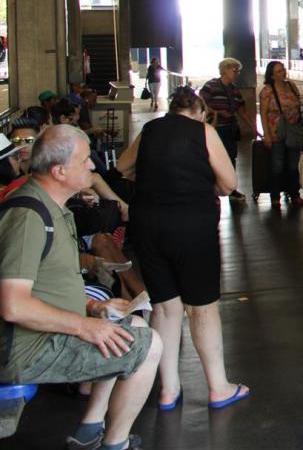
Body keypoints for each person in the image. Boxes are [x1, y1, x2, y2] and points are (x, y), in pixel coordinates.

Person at [0, 125, 164, 450]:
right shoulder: (28, 217)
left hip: (44, 334)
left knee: (131, 326)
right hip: (26, 350)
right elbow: (13, 305)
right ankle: (115, 443)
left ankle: (89, 430)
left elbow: (47, 281)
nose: (92, 165)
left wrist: (94, 307)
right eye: (85, 160)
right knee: (149, 346)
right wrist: (84, 325)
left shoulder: (52, 206)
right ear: (59, 171)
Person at [116, 86, 249, 412]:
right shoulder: (203, 131)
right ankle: (218, 387)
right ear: (200, 112)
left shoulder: (150, 130)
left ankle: (168, 390)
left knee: (165, 308)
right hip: (191, 226)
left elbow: (123, 167)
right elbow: (229, 184)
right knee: (201, 307)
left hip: (148, 224)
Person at [259, 61, 303, 208]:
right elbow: (263, 113)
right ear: (271, 75)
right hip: (276, 131)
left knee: (293, 164)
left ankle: (294, 194)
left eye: (283, 69)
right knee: (277, 165)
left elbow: (301, 103)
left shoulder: (291, 86)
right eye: (278, 71)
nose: (283, 72)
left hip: (293, 129)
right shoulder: (267, 91)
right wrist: (266, 134)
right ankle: (275, 196)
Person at [200, 58, 253, 202]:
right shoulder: (211, 86)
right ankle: (211, 191)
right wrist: (216, 112)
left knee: (231, 158)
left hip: (229, 128)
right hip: (214, 129)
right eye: (234, 70)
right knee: (212, 159)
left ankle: (231, 189)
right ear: (224, 70)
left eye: (238, 71)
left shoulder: (234, 90)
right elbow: (201, 104)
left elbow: (242, 111)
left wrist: (253, 127)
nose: (236, 73)